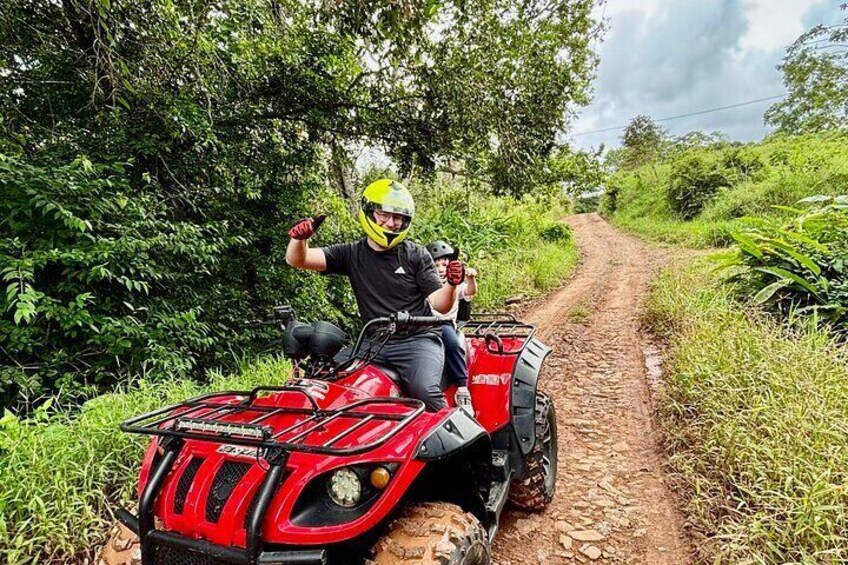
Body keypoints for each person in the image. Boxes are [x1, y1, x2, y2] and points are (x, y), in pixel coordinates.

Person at [285, 179, 465, 412]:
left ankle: (450, 434)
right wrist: (299, 239)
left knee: (425, 392)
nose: (390, 223)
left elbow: (440, 305)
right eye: (383, 214)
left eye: (398, 218)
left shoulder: (415, 255)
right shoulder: (351, 253)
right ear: (370, 212)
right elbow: (298, 259)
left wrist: (451, 284)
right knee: (323, 379)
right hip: (372, 343)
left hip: (417, 341)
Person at [426, 241, 477, 414]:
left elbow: (470, 292)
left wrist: (470, 278)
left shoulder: (455, 283)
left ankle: (462, 388)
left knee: (452, 343)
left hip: (444, 323)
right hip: (422, 325)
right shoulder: (424, 284)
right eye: (436, 265)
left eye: (444, 264)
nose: (440, 269)